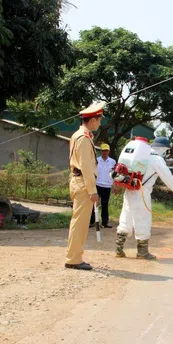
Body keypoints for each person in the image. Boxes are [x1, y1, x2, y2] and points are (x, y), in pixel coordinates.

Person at [115, 137, 173, 260]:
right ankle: (142, 253)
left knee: (126, 218)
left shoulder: (141, 155)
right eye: (166, 151)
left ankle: (119, 250)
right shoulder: (156, 160)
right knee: (143, 220)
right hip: (142, 193)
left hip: (129, 190)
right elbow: (168, 178)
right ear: (162, 149)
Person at [65, 101, 104, 271]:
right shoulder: (83, 138)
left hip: (79, 182)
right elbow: (86, 168)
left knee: (79, 222)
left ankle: (75, 256)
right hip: (83, 183)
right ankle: (73, 259)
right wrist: (93, 191)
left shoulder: (80, 136)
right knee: (80, 223)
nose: (100, 122)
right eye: (99, 119)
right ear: (93, 120)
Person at [89, 143, 116, 228]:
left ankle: (105, 222)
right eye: (103, 150)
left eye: (106, 150)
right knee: (94, 204)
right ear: (101, 151)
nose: (105, 152)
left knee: (105, 204)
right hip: (97, 184)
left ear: (109, 151)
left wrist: (115, 184)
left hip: (107, 186)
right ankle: (91, 221)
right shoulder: (96, 160)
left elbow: (114, 174)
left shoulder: (113, 162)